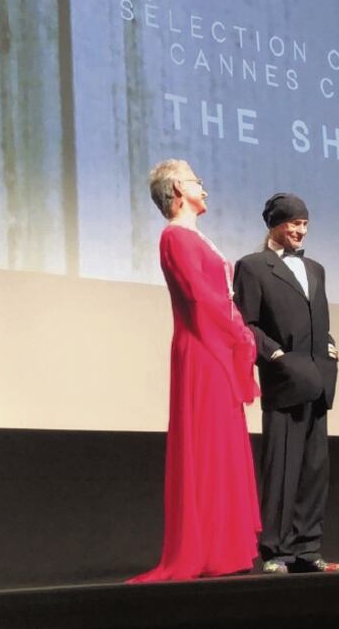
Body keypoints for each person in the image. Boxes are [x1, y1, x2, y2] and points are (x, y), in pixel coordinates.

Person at [130, 159, 261, 582]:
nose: (203, 186)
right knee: (206, 442)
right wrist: (238, 332)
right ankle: (204, 547)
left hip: (215, 345)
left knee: (221, 440)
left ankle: (224, 547)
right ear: (176, 190)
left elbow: (215, 297)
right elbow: (201, 298)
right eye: (195, 181)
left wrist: (238, 332)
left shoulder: (193, 236)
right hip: (202, 349)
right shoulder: (174, 236)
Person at [232, 193, 339, 574]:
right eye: (293, 223)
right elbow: (246, 322)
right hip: (285, 379)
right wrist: (275, 355)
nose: (300, 230)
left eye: (304, 224)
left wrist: (330, 346)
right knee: (281, 467)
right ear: (275, 225)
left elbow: (320, 319)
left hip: (318, 378)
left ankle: (307, 547)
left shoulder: (316, 269)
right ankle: (275, 551)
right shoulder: (252, 266)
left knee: (315, 469)